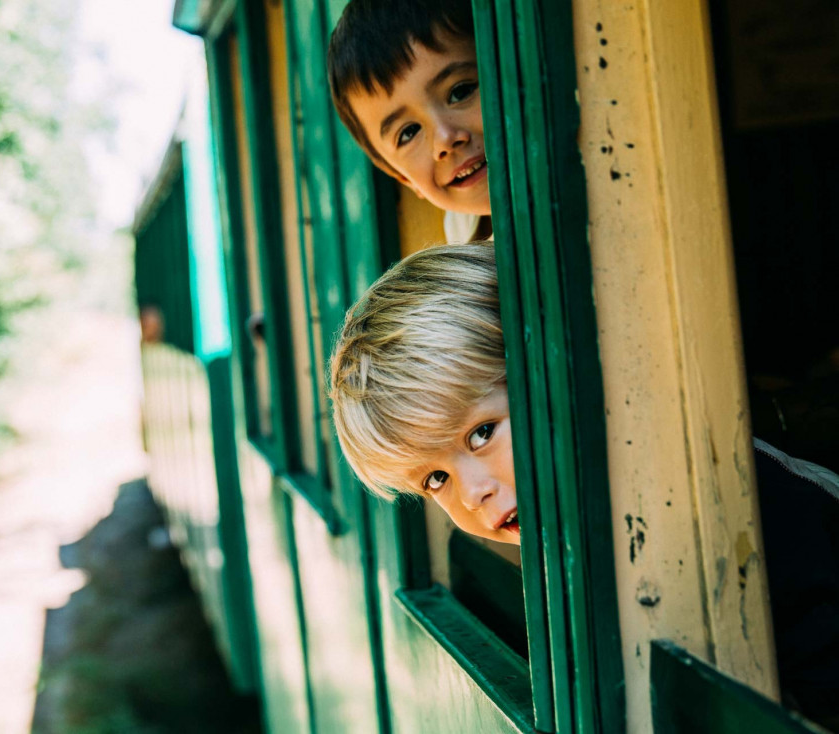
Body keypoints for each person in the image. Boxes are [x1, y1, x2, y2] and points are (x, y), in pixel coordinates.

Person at [328, 243, 839, 726]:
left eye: (481, 433)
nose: (471, 493)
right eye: (435, 478)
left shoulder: (743, 501)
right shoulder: (575, 541)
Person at [327, 0, 491, 243]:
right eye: (409, 132)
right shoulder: (460, 233)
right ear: (403, 177)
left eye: (460, 92)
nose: (445, 139)